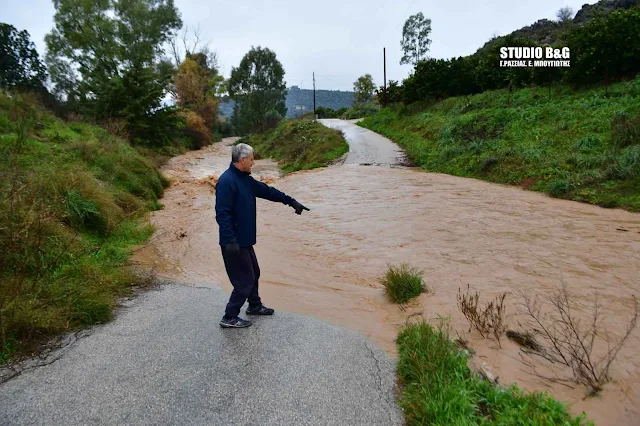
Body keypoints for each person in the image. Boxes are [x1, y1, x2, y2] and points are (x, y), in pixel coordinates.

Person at [215, 143, 310, 328]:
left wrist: (291, 202)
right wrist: (230, 241)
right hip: (233, 242)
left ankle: (255, 306)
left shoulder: (245, 180)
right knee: (244, 280)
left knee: (254, 273)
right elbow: (222, 214)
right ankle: (229, 316)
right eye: (251, 158)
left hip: (244, 240)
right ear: (242, 160)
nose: (253, 161)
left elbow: (267, 191)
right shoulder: (227, 182)